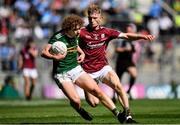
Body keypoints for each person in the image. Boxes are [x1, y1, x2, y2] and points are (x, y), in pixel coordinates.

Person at [41, 14, 126, 123]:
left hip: (75, 68)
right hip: (61, 73)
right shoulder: (58, 37)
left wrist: (82, 54)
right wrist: (54, 57)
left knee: (97, 91)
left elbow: (76, 46)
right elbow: (43, 52)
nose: (78, 32)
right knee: (75, 100)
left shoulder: (76, 34)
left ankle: (117, 114)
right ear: (68, 28)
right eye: (75, 29)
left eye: (78, 29)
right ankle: (79, 109)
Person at [79, 4, 155, 123]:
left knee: (118, 86)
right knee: (94, 103)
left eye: (94, 18)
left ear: (101, 18)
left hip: (103, 67)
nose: (92, 20)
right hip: (87, 71)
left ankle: (128, 115)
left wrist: (143, 37)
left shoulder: (107, 32)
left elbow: (126, 35)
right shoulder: (81, 32)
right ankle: (86, 92)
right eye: (90, 18)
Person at [113, 23, 139, 100]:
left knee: (134, 74)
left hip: (129, 61)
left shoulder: (134, 40)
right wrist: (125, 49)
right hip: (121, 61)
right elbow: (116, 49)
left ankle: (128, 91)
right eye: (128, 30)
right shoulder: (121, 40)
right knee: (117, 81)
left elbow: (135, 50)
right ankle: (114, 96)